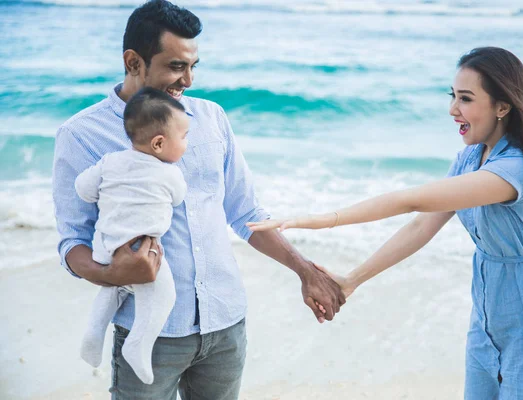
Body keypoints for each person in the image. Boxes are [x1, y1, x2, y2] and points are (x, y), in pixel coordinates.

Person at [248, 47, 523, 399]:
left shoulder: (516, 166)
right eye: (453, 96)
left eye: (466, 99)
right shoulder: (471, 157)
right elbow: (420, 226)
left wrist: (320, 220)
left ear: (503, 106)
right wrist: (351, 281)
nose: (453, 109)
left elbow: (410, 200)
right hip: (490, 308)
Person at [52, 0, 344, 398]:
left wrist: (305, 270)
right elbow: (73, 240)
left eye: (193, 65)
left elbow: (246, 213)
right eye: (175, 66)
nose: (188, 80)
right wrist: (112, 275)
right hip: (149, 332)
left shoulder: (211, 118)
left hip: (225, 325)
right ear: (133, 61)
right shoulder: (81, 135)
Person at [76, 87, 188, 385]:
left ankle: (93, 334)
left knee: (114, 290)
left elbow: (83, 190)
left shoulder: (110, 161)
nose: (186, 145)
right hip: (142, 250)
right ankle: (138, 344)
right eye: (184, 137)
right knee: (163, 295)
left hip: (105, 250)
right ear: (160, 143)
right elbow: (178, 199)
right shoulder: (170, 173)